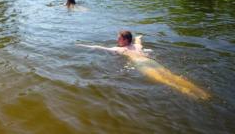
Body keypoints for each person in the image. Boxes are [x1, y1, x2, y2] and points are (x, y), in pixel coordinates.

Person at [78, 31, 210, 100]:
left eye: (119, 38)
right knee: (172, 75)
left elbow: (98, 47)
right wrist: (139, 37)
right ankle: (201, 91)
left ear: (125, 40)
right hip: (152, 61)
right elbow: (138, 40)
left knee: (165, 81)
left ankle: (189, 93)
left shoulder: (120, 49)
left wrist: (82, 45)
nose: (117, 40)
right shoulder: (136, 46)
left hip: (142, 65)